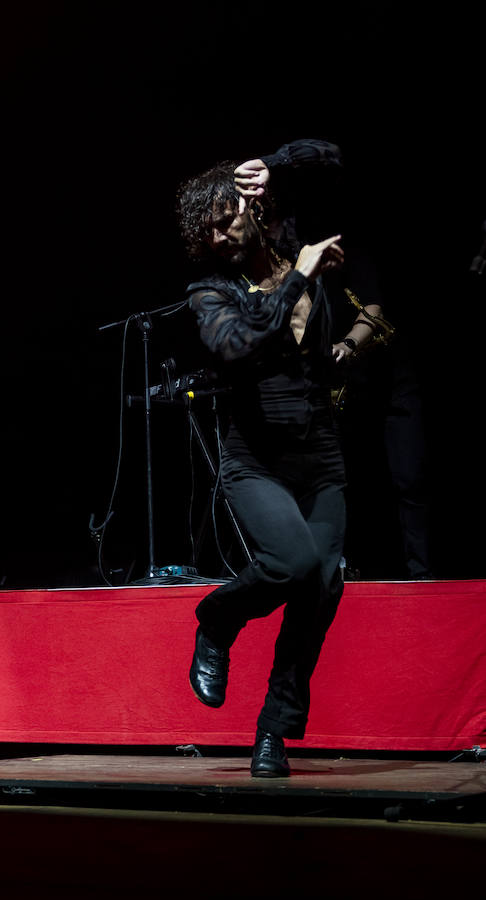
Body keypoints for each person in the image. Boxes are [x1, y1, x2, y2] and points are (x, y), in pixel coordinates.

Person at [174, 140, 374, 777]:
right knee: (290, 565)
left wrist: (277, 165)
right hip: (254, 459)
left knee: (321, 585)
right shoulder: (210, 291)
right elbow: (240, 346)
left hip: (320, 456)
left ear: (255, 210)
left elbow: (335, 159)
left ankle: (275, 730)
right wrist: (298, 280)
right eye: (204, 228)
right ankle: (217, 617)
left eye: (224, 215)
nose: (217, 232)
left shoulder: (297, 248)